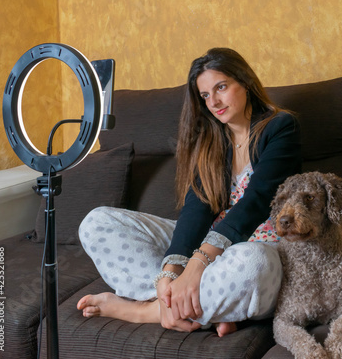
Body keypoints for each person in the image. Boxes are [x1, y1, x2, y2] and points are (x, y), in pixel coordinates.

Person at [76, 47, 302, 337]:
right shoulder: (211, 138)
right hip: (207, 243)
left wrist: (197, 265)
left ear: (245, 82)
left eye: (221, 87)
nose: (214, 102)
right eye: (205, 95)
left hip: (260, 243)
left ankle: (145, 311)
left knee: (253, 264)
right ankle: (207, 305)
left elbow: (258, 200)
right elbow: (197, 208)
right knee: (98, 223)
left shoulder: (281, 126)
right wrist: (171, 271)